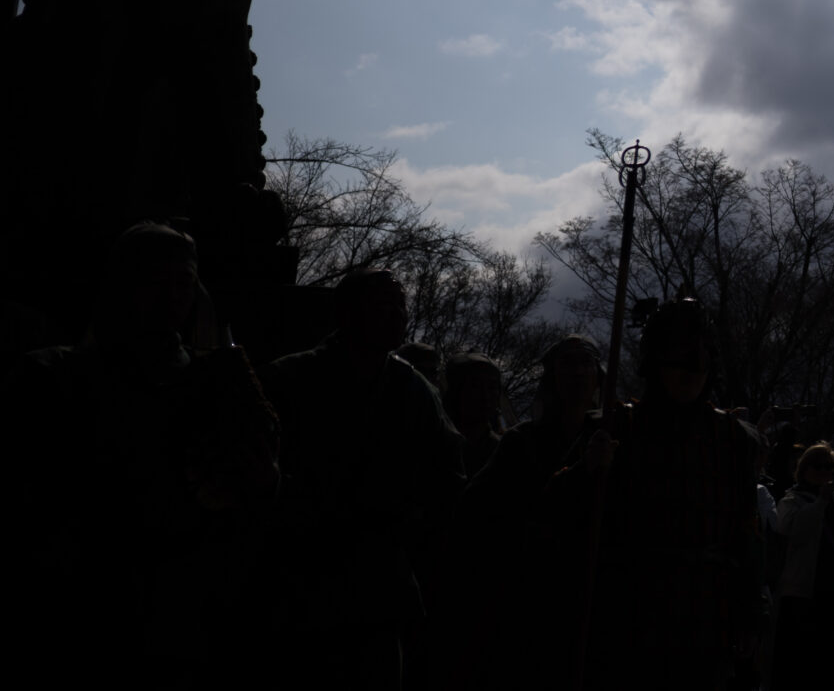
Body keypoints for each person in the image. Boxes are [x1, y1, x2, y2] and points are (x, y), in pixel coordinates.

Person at [5, 221, 278, 682]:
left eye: (183, 284)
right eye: (155, 282)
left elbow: (257, 494)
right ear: (120, 286)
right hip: (79, 608)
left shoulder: (218, 383)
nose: (171, 297)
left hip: (188, 613)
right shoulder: (54, 375)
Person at [265, 268, 465, 691]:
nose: (396, 315)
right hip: (299, 580)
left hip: (381, 585)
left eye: (401, 305)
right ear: (348, 312)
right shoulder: (290, 378)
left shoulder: (415, 391)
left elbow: (447, 477)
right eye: (382, 304)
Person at [589, 297, 764, 690]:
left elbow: (746, 534)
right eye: (676, 359)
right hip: (630, 611)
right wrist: (586, 471)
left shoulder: (734, 440)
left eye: (697, 361)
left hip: (708, 612)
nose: (688, 373)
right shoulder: (618, 429)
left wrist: (750, 613)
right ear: (655, 363)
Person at [465, 334, 606, 691]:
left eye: (586, 363)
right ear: (551, 378)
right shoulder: (521, 443)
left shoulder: (616, 437)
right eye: (568, 364)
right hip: (534, 600)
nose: (578, 373)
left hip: (601, 599)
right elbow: (477, 512)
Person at [771, 442, 834, 690]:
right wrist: (820, 502)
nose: (824, 472)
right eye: (817, 467)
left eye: (829, 468)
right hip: (804, 595)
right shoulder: (792, 500)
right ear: (804, 469)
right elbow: (793, 531)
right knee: (801, 667)